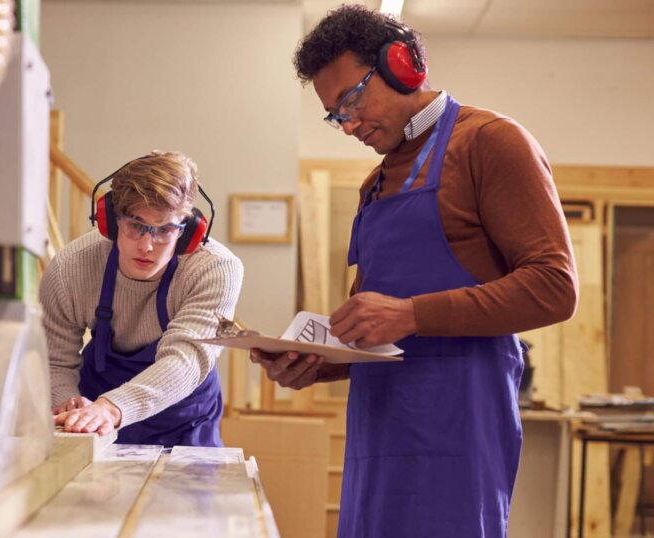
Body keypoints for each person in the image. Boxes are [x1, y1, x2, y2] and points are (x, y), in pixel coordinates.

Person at [250, 5, 577, 536]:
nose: (349, 124)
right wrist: (318, 363)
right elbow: (374, 336)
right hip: (377, 434)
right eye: (335, 115)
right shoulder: (375, 184)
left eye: (352, 100)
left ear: (402, 66)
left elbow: (556, 287)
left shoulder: (490, 142)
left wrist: (411, 313)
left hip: (456, 433)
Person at [42, 150, 243, 447]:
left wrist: (112, 408)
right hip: (96, 417)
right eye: (136, 225)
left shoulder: (215, 269)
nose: (147, 245)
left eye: (164, 230)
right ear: (110, 220)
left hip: (184, 420)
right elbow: (54, 361)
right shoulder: (71, 268)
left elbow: (185, 360)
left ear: (188, 231)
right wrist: (69, 405)